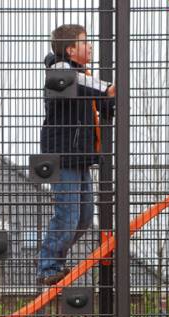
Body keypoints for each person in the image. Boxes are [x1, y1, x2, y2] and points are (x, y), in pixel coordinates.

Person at [37, 23, 116, 286]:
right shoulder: (59, 69)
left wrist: (110, 98)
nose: (90, 45)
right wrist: (107, 88)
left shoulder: (82, 75)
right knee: (68, 215)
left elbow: (101, 101)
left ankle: (55, 260)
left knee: (83, 217)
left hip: (79, 157)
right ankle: (48, 266)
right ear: (71, 49)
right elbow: (86, 85)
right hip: (62, 157)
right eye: (85, 41)